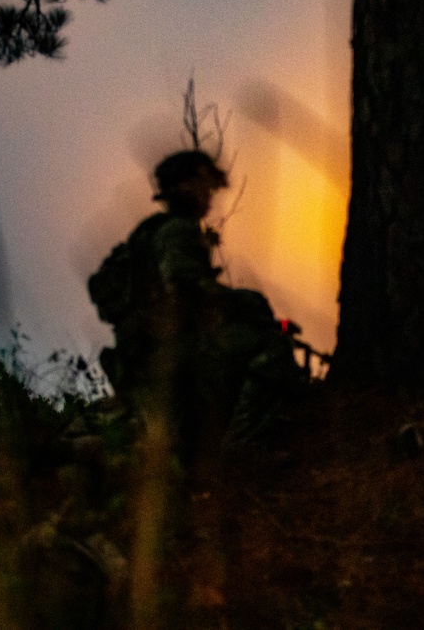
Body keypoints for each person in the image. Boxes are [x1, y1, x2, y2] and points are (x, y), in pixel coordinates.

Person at [88, 150, 299, 462]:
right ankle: (244, 443)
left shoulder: (151, 232)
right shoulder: (177, 231)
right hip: (176, 358)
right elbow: (187, 293)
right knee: (273, 348)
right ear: (185, 187)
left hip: (155, 364)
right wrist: (250, 305)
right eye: (204, 185)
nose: (210, 196)